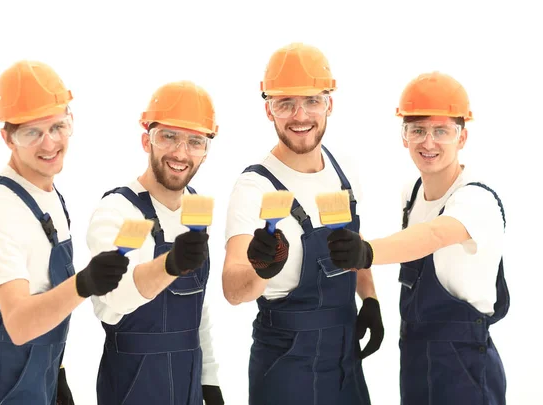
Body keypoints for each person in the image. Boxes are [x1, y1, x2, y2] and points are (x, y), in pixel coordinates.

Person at [326, 71, 509, 404]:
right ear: (404, 135)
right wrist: (370, 298)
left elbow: (434, 235)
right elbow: (409, 242)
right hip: (414, 358)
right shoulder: (411, 193)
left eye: (442, 130)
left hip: (464, 368)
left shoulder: (476, 200)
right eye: (418, 130)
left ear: (462, 137)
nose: (428, 142)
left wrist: (366, 252)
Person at [0, 60, 130, 405]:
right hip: (2, 386)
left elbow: (44, 293)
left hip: (41, 375)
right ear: (7, 137)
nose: (49, 143)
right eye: (31, 132)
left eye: (57, 126)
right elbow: (19, 325)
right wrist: (84, 283)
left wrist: (58, 373)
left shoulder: (48, 194)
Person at [222, 42, 384, 405]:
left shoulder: (344, 172)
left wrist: (369, 298)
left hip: (346, 362)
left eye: (312, 100)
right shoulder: (254, 187)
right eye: (285, 103)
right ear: (268, 110)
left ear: (330, 103)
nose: (300, 115)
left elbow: (353, 246)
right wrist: (262, 268)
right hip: (286, 366)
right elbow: (233, 289)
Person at [86, 80, 224, 405]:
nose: (180, 152)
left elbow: (196, 308)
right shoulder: (117, 210)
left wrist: (210, 382)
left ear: (206, 151)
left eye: (195, 141)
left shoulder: (196, 208)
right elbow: (114, 298)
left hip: (189, 385)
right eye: (168, 136)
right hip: (132, 387)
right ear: (146, 140)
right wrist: (171, 264)